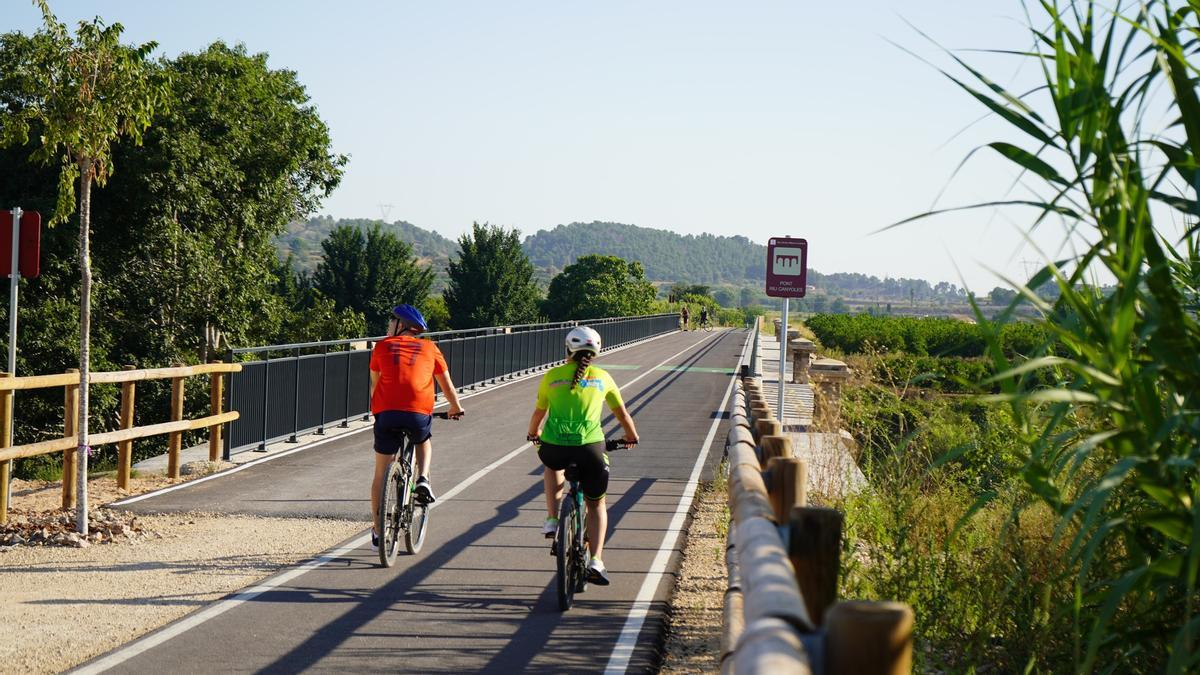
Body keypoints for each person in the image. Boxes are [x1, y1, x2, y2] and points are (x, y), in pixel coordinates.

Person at [527, 326, 639, 585]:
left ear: (568, 350)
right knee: (596, 503)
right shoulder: (603, 377)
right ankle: (597, 560)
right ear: (596, 352)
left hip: (555, 447)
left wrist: (533, 433)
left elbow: (538, 414)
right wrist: (631, 436)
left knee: (551, 464)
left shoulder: (552, 376)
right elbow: (622, 414)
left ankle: (553, 520)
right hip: (591, 449)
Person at [369, 304, 464, 550]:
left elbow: (375, 384)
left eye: (392, 321)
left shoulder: (381, 346)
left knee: (381, 472)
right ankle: (422, 478)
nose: (389, 325)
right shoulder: (431, 348)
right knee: (423, 439)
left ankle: (378, 532)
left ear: (401, 325)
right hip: (417, 411)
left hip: (386, 413)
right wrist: (455, 407)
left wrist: (380, 410)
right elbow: (447, 386)